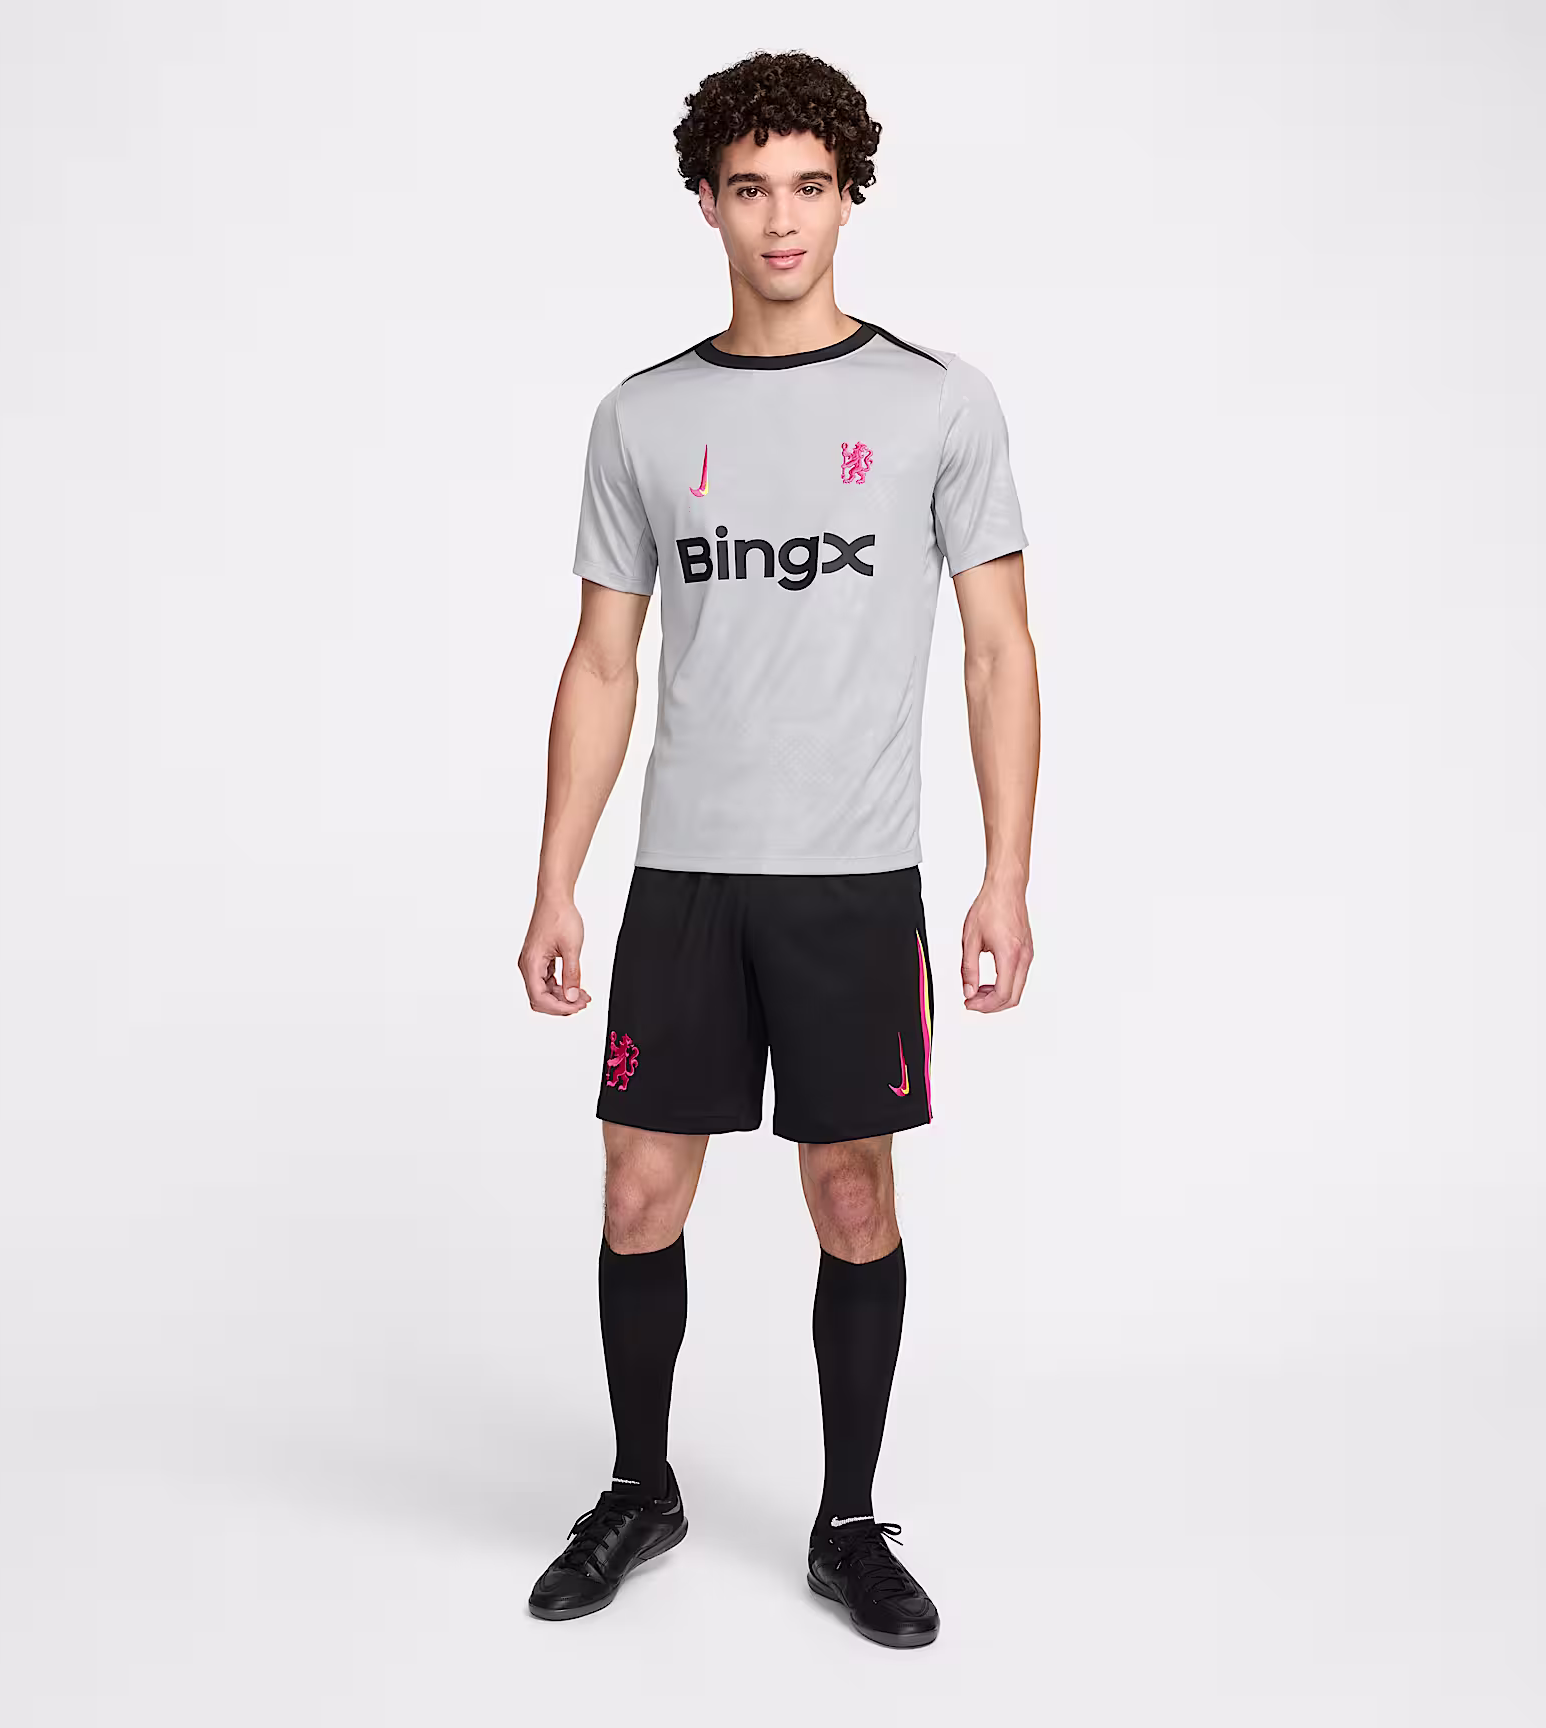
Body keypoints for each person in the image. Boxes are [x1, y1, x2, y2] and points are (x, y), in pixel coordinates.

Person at [516, 49, 1040, 1649]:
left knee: (853, 1197)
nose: (782, 218)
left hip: (852, 881)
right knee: (638, 1191)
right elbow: (602, 662)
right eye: (750, 188)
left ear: (847, 195)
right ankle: (640, 1488)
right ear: (708, 203)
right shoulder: (643, 416)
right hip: (687, 878)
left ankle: (848, 1520)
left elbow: (999, 650)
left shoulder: (937, 401)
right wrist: (556, 881)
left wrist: (1005, 875)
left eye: (810, 185)